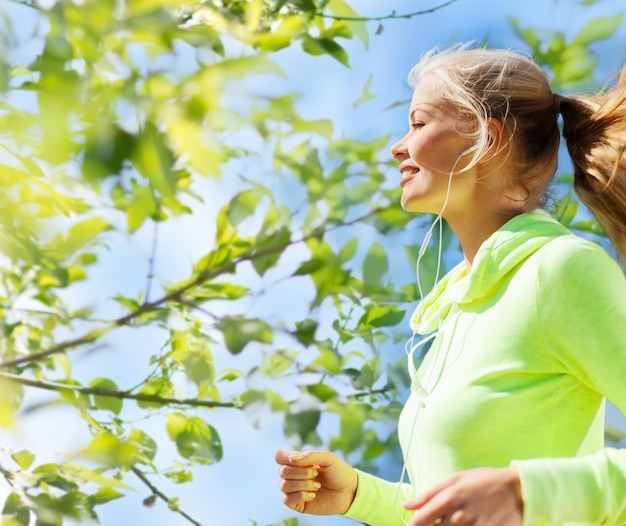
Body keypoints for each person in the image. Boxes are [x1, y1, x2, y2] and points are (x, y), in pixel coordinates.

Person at [275, 44, 626, 526]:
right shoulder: (462, 306)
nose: (397, 146)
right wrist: (359, 495)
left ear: (488, 139)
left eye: (418, 123)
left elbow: (510, 499)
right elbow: (460, 505)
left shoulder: (558, 270)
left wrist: (531, 493)